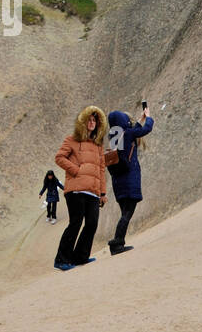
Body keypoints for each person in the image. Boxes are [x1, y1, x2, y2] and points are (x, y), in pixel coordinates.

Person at [53, 105, 108, 270]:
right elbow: (59, 157)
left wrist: (103, 192)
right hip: (76, 190)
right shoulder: (71, 140)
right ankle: (61, 260)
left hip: (92, 191)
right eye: (89, 120)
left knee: (92, 223)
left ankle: (80, 257)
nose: (92, 123)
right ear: (83, 122)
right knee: (76, 223)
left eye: (94, 121)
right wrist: (76, 170)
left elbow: (101, 170)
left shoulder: (98, 145)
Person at [105, 104, 154, 252]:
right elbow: (146, 129)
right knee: (128, 212)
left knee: (124, 212)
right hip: (129, 178)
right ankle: (116, 242)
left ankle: (119, 242)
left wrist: (140, 119)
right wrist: (149, 117)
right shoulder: (128, 134)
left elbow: (133, 130)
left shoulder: (113, 136)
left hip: (117, 181)